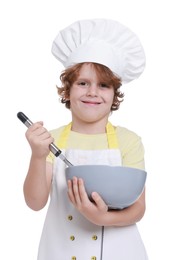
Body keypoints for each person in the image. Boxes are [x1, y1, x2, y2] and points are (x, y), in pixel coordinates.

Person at [23, 19, 148, 259]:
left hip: (120, 251)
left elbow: (138, 209)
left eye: (103, 85)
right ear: (67, 90)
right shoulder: (52, 139)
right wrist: (37, 156)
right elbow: (35, 202)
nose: (92, 92)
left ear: (114, 96)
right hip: (61, 250)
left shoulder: (128, 141)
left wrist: (102, 218)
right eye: (83, 83)